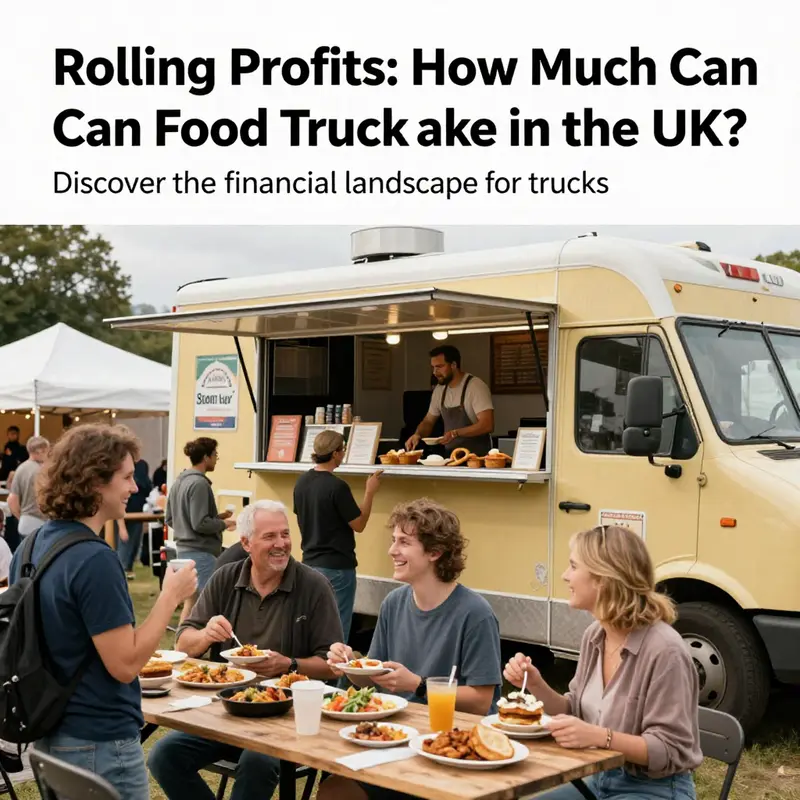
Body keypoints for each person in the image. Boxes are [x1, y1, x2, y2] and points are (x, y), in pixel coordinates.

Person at [9, 423, 197, 800]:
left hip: (49, 734)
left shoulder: (30, 546)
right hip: (99, 742)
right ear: (95, 481)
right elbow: (125, 664)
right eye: (126, 477)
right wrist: (169, 598)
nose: (134, 487)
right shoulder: (94, 559)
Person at [148, 499, 343, 800]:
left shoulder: (314, 586)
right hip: (226, 710)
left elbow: (331, 666)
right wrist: (206, 635)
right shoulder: (226, 577)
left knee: (258, 762)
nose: (281, 544)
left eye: (285, 534)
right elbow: (183, 644)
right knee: (164, 755)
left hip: (283, 718)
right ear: (246, 543)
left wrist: (288, 665)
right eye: (270, 536)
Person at [321, 498, 502, 800]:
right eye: (394, 541)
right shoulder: (394, 602)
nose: (392, 551)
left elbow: (482, 702)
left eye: (404, 542)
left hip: (453, 745)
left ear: (434, 552)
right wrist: (350, 663)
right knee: (333, 789)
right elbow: (372, 675)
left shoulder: (475, 614)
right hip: (397, 736)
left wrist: (418, 685)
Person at [504, 525, 702, 799]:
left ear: (603, 579)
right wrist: (535, 684)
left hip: (653, 788)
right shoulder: (595, 635)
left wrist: (600, 737)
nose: (565, 575)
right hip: (595, 778)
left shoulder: (665, 651)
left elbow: (670, 749)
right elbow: (575, 712)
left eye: (574, 566)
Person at [293, 430, 382, 641]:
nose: (343, 453)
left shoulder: (301, 483)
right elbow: (359, 524)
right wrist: (369, 492)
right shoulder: (337, 486)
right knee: (338, 627)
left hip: (309, 563)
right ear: (335, 454)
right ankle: (336, 673)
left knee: (314, 624)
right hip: (338, 567)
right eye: (342, 449)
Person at [166, 437, 236, 621]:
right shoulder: (199, 484)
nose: (216, 460)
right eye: (215, 455)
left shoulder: (178, 483)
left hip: (183, 552)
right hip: (201, 554)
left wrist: (218, 517)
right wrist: (224, 524)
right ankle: (197, 644)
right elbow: (200, 524)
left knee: (192, 603)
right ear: (206, 457)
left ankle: (181, 645)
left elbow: (172, 518)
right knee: (208, 604)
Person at [405, 345, 495, 457]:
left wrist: (455, 433)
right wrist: (417, 435)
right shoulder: (440, 390)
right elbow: (428, 420)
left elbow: (487, 425)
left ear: (453, 365)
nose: (435, 372)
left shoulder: (475, 387)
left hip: (477, 458)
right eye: (433, 367)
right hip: (451, 457)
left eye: (439, 367)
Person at [117, 459, 153, 579]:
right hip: (126, 515)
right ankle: (122, 569)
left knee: (135, 543)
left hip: (138, 515)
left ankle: (128, 568)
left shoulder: (142, 473)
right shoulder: (130, 480)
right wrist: (121, 527)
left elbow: (148, 489)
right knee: (125, 543)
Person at [7, 435, 49, 538]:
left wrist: (21, 517)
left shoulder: (21, 469)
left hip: (25, 523)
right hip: (40, 524)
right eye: (47, 451)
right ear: (40, 451)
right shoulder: (43, 471)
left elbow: (12, 500)